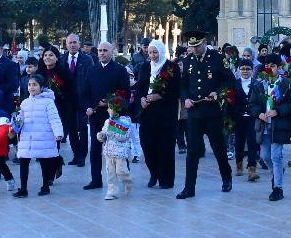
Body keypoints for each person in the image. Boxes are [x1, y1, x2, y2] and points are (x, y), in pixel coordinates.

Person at [175, 30, 234, 199]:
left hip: (212, 111)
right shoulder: (187, 61)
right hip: (194, 112)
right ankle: (189, 187)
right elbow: (184, 84)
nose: (195, 49)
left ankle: (226, 177)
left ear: (205, 42)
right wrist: (185, 98)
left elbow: (229, 80)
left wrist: (217, 92)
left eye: (197, 46)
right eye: (192, 46)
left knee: (218, 147)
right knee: (192, 150)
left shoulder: (217, 58)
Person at [81, 41, 130, 191]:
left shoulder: (120, 70)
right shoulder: (92, 70)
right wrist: (88, 107)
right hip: (96, 117)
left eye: (105, 51)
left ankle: (123, 177)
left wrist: (110, 102)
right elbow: (85, 92)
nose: (102, 53)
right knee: (95, 148)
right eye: (100, 51)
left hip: (114, 117)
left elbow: (125, 93)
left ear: (112, 52)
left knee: (119, 148)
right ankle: (96, 179)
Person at [251, 54, 291, 202]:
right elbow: (252, 104)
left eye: (273, 66)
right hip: (264, 125)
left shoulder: (286, 85)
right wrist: (259, 114)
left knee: (276, 156)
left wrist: (278, 111)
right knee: (265, 156)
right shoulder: (259, 85)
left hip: (279, 125)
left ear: (278, 67)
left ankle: (278, 187)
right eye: (267, 66)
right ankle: (277, 172)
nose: (269, 68)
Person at [136, 40, 180, 189]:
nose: (153, 55)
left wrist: (159, 96)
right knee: (147, 146)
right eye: (150, 52)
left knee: (165, 148)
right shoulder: (144, 67)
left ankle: (166, 179)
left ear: (161, 52)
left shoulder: (171, 67)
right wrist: (142, 98)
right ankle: (154, 173)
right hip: (147, 113)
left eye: (155, 52)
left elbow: (176, 90)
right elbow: (140, 87)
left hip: (165, 114)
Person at [15, 74, 64, 197]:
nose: (31, 87)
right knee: (23, 161)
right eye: (29, 85)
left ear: (41, 87)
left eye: (35, 85)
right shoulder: (25, 103)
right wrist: (15, 124)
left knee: (44, 162)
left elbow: (54, 119)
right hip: (27, 137)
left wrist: (58, 133)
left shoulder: (48, 102)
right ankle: (23, 189)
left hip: (43, 137)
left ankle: (45, 186)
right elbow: (20, 118)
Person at [61, 33, 94, 167]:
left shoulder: (87, 59)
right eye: (70, 43)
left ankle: (82, 155)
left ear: (79, 44)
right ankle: (76, 154)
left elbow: (91, 78)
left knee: (82, 128)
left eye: (75, 42)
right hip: (68, 100)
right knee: (71, 129)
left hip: (82, 99)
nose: (73, 45)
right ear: (67, 44)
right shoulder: (62, 59)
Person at [97, 91, 134, 200]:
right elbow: (104, 132)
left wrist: (111, 132)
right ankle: (112, 192)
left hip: (120, 153)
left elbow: (124, 136)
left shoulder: (126, 122)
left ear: (117, 110)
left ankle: (129, 182)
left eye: (109, 108)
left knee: (121, 171)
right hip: (109, 152)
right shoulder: (108, 121)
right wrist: (101, 136)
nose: (107, 110)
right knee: (111, 173)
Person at [229, 59, 260, 181]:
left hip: (253, 118)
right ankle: (239, 165)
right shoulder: (234, 84)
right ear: (239, 70)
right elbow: (229, 102)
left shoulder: (257, 84)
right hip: (238, 118)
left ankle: (252, 169)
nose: (245, 71)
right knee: (239, 142)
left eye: (248, 69)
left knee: (253, 142)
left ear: (252, 70)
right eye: (243, 69)